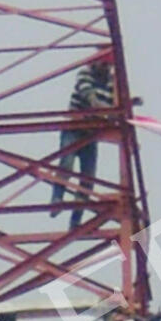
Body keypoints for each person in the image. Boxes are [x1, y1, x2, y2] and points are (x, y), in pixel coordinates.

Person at [50, 60, 117, 229]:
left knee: (88, 179)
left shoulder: (112, 82)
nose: (104, 67)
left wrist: (125, 104)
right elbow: (90, 97)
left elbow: (114, 104)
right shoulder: (85, 74)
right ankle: (57, 199)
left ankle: (75, 221)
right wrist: (110, 111)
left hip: (91, 134)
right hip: (74, 128)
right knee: (66, 164)